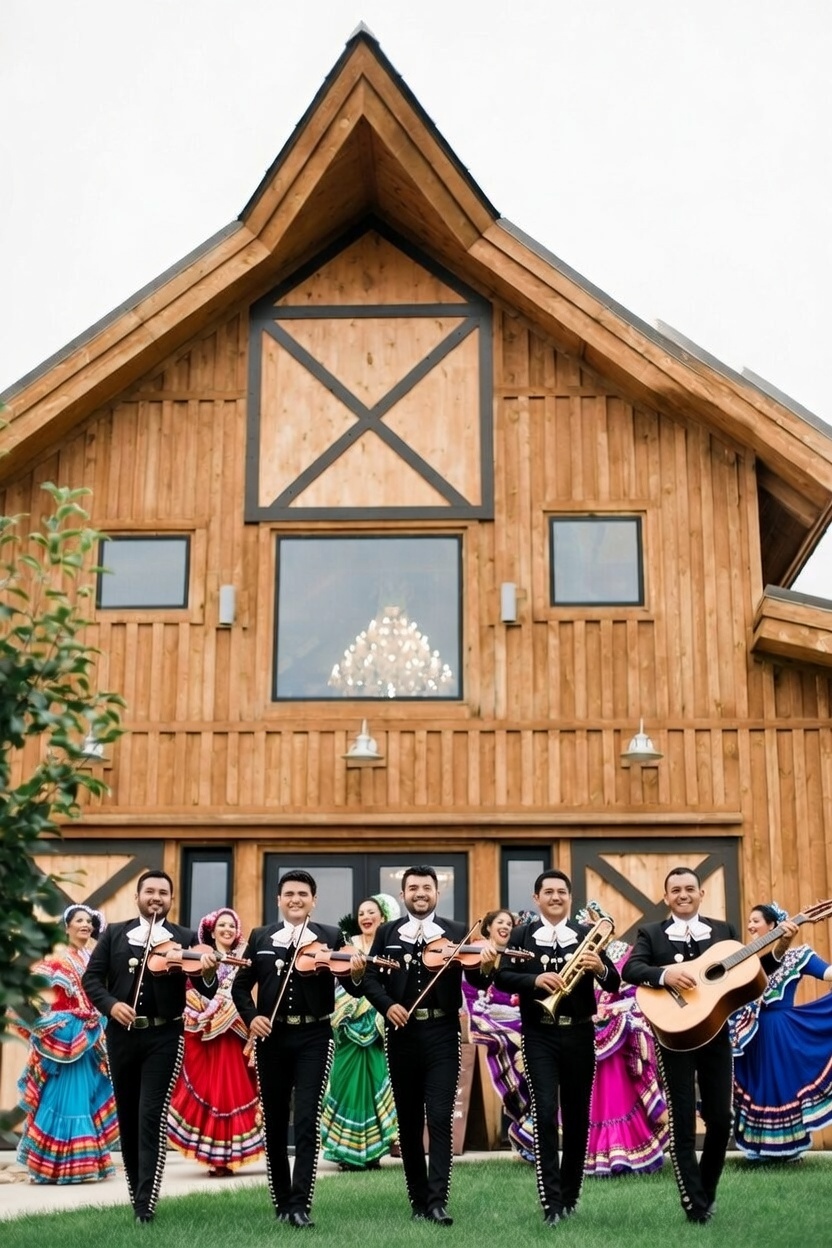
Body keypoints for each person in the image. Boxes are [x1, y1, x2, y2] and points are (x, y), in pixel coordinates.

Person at [622, 866, 780, 1225]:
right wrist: (664, 975)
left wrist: (779, 945)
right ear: (667, 898)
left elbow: (750, 973)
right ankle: (694, 1206)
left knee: (721, 1120)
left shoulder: (724, 933)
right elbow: (631, 970)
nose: (683, 894)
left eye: (689, 888)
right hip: (674, 1035)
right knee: (681, 1122)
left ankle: (705, 1192)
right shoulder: (651, 933)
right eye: (675, 889)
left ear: (700, 894)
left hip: (716, 1033)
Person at [362, 865, 497, 1227]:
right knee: (408, 1120)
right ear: (404, 894)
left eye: (426, 887)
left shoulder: (455, 932)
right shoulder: (388, 932)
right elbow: (371, 979)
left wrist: (485, 965)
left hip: (442, 1031)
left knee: (439, 1117)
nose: (420, 893)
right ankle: (417, 1197)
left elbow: (476, 979)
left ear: (437, 893)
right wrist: (387, 1005)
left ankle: (437, 1201)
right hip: (401, 1034)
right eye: (413, 888)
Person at [82, 869, 219, 1224]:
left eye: (163, 893)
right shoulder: (114, 934)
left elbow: (207, 989)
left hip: (164, 1036)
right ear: (138, 896)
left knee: (150, 1114)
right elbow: (92, 979)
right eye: (150, 892)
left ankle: (146, 1203)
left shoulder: (184, 938)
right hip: (121, 1037)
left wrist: (206, 971)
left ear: (172, 900)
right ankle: (136, 1193)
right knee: (127, 1117)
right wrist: (112, 1005)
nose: (156, 897)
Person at [231, 869, 363, 1229]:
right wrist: (252, 1017)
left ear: (313, 900)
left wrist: (355, 974)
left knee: (306, 1119)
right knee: (274, 1120)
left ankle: (301, 1203)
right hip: (271, 1039)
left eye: (303, 894)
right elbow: (240, 988)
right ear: (279, 899)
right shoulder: (261, 937)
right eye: (289, 894)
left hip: (314, 1037)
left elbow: (353, 990)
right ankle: (281, 1198)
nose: (296, 899)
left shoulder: (331, 937)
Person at [495, 871, 619, 1228]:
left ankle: (570, 1195)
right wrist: (535, 980)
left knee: (578, 1117)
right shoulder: (521, 935)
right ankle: (550, 1202)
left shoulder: (585, 934)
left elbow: (614, 981)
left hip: (580, 1034)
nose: (555, 897)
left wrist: (600, 967)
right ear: (536, 899)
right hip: (539, 1034)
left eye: (561, 892)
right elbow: (501, 977)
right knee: (546, 1112)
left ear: (570, 897)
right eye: (547, 892)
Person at [16, 903, 119, 1184]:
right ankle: (59, 1165)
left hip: (90, 1035)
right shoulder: (58, 961)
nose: (86, 925)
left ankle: (81, 1162)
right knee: (64, 1097)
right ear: (67, 927)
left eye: (89, 921)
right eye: (80, 921)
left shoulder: (92, 959)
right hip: (66, 1039)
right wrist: (48, 1022)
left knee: (84, 1097)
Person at [730, 901, 832, 1160]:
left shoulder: (799, 956)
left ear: (773, 925)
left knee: (781, 1084)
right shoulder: (744, 960)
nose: (750, 925)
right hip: (750, 1032)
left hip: (781, 1029)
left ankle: (788, 1148)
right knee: (758, 1084)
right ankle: (758, 1149)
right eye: (749, 921)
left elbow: (827, 973)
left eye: (756, 920)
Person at [167, 907, 264, 1175]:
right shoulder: (202, 956)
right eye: (222, 925)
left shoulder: (244, 956)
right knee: (213, 1091)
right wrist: (207, 1009)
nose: (227, 930)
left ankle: (230, 1155)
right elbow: (190, 991)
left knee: (234, 1089)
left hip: (235, 1032)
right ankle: (215, 1157)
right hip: (207, 1033)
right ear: (211, 930)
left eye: (232, 926)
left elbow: (248, 990)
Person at [577, 906, 668, 1177]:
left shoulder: (624, 953)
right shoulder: (576, 956)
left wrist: (614, 1011)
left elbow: (635, 988)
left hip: (620, 1033)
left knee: (619, 1091)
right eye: (587, 928)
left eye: (597, 927)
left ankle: (627, 1152)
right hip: (587, 1033)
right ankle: (597, 1156)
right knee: (594, 1095)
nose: (593, 933)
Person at [320, 894, 399, 1170]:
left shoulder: (389, 948)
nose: (366, 917)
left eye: (371, 912)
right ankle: (346, 1152)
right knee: (343, 1087)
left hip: (377, 1027)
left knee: (377, 1084)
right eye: (361, 913)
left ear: (383, 917)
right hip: (347, 1026)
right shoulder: (346, 946)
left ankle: (372, 1153)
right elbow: (336, 983)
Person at [461, 908, 534, 1162]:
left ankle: (530, 1122)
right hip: (485, 1014)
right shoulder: (478, 951)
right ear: (489, 927)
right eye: (500, 922)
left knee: (533, 1039)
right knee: (512, 1040)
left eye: (510, 923)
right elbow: (471, 990)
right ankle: (524, 1117)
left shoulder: (515, 956)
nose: (506, 926)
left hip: (516, 1016)